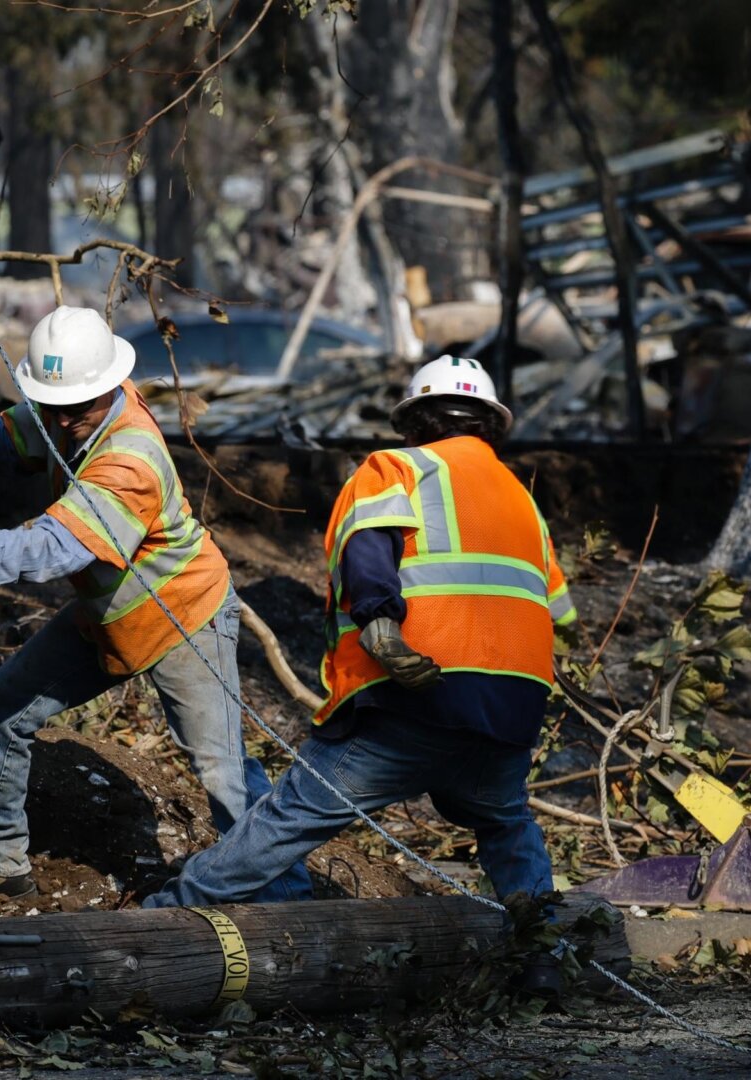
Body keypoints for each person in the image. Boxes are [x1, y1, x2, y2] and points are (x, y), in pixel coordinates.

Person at [143, 356, 576, 975]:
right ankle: (547, 957)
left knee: (289, 819)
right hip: (510, 709)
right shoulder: (522, 500)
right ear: (490, 425)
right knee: (507, 825)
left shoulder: (395, 466)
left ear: (413, 421)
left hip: (411, 693)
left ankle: (163, 919)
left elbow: (369, 547)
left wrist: (380, 623)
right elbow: (559, 609)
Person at [0, 305, 310, 901]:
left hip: (183, 617)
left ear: (108, 386)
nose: (66, 421)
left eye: (80, 408)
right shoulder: (66, 407)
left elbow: (56, 548)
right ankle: (1, 859)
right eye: (54, 409)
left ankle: (286, 898)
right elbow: (2, 439)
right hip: (110, 614)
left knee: (222, 770)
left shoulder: (130, 459)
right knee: (0, 709)